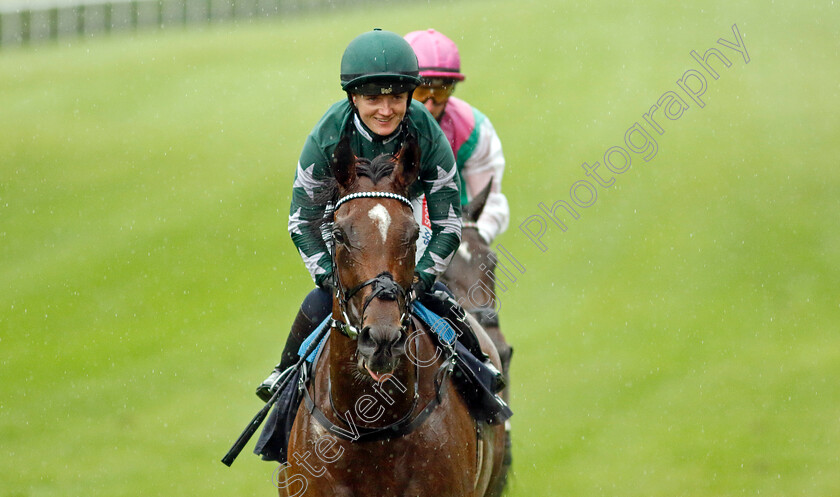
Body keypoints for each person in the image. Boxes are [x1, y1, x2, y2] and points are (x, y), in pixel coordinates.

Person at [256, 29, 498, 401]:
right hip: (348, 234)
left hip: (405, 225)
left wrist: (420, 278)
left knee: (444, 302)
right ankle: (285, 382)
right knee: (316, 304)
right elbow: (302, 222)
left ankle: (482, 386)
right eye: (372, 99)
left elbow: (448, 223)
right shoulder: (325, 138)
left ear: (408, 96)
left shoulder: (427, 135)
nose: (385, 110)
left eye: (397, 98)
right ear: (353, 96)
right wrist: (330, 276)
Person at [404, 29, 510, 244]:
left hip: (454, 231)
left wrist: (470, 240)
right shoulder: (374, 124)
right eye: (421, 92)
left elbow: (491, 205)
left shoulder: (474, 130)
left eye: (441, 91)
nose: (430, 105)